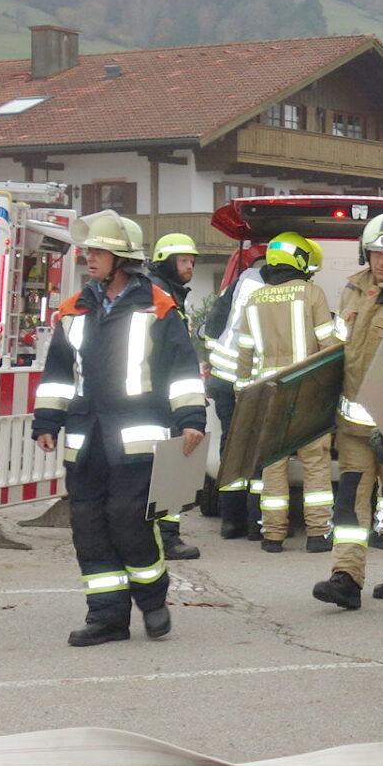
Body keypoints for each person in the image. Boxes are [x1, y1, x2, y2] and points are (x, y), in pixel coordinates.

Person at [31, 211, 207, 645]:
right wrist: (47, 420)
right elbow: (58, 374)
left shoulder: (158, 307)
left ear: (122, 259)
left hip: (137, 438)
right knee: (89, 526)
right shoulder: (74, 309)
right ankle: (106, 617)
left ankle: (152, 600)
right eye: (88, 251)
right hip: (85, 439)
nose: (89, 258)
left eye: (98, 252)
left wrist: (191, 419)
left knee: (128, 520)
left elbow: (181, 370)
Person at [315, 211, 383, 609]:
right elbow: (337, 354)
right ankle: (345, 578)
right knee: (350, 500)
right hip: (353, 427)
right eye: (377, 253)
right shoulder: (352, 291)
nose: (382, 261)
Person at [223, 233, 342, 552]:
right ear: (299, 261)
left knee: (273, 465)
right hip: (307, 393)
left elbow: (244, 356)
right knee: (315, 463)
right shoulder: (312, 294)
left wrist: (242, 398)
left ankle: (273, 535)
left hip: (269, 396)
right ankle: (318, 534)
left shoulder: (254, 300)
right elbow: (328, 346)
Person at [144, 232, 203, 563]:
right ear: (165, 262)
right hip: (158, 401)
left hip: (157, 399)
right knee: (168, 470)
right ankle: (166, 538)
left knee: (165, 469)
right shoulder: (160, 298)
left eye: (192, 261)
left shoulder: (167, 294)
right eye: (183, 261)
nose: (190, 267)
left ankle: (163, 535)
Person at [202, 252, 269, 540]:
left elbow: (213, 324)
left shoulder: (242, 281)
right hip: (252, 381)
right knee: (257, 447)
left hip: (221, 377)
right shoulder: (283, 290)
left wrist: (212, 358)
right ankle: (256, 523)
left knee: (230, 445)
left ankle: (231, 521)